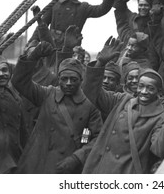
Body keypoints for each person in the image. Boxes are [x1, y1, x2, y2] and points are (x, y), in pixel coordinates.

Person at [82, 37, 164, 173]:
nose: (144, 91)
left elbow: (159, 149)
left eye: (150, 88)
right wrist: (100, 63)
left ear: (158, 92)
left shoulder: (160, 117)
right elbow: (92, 93)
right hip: (100, 167)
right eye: (141, 86)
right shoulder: (122, 100)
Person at [12, 42, 102, 173]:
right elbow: (19, 82)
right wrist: (33, 57)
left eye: (73, 79)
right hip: (36, 163)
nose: (68, 83)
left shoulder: (89, 108)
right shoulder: (47, 94)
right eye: (64, 79)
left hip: (65, 167)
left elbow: (96, 138)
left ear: (81, 80)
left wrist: (77, 157)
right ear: (58, 78)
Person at [29, 0, 117, 48]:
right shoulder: (55, 4)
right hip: (53, 45)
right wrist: (32, 43)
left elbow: (100, 10)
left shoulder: (83, 7)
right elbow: (42, 24)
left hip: (72, 47)